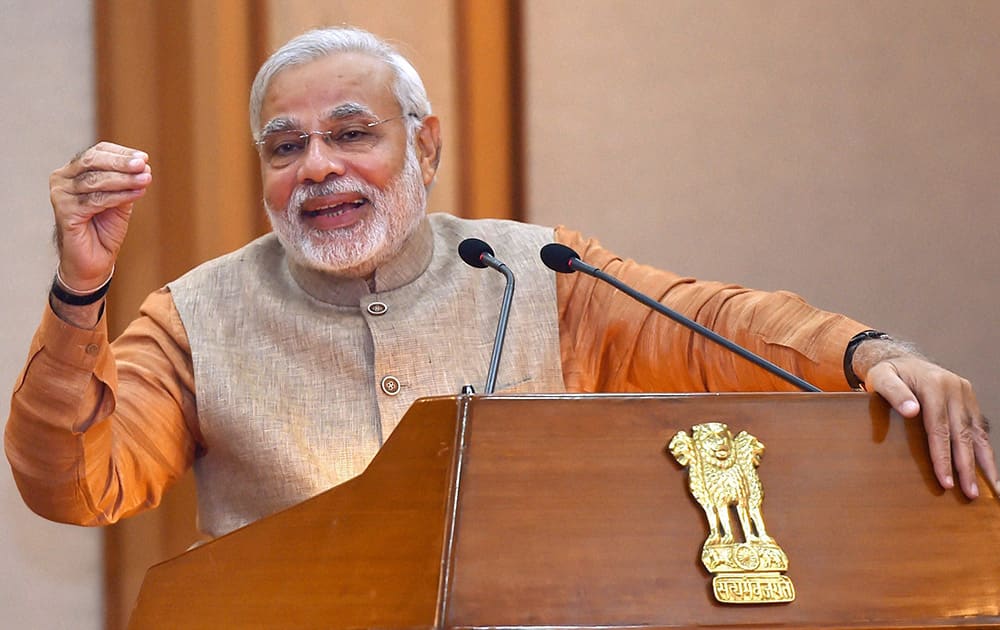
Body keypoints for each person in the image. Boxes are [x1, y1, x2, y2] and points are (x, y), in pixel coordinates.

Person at [5, 27, 996, 540]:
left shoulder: (537, 272)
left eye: (352, 132)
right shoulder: (194, 318)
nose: (316, 168)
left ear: (423, 143)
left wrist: (875, 353)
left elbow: (718, 324)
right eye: (286, 145)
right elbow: (71, 484)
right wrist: (79, 292)